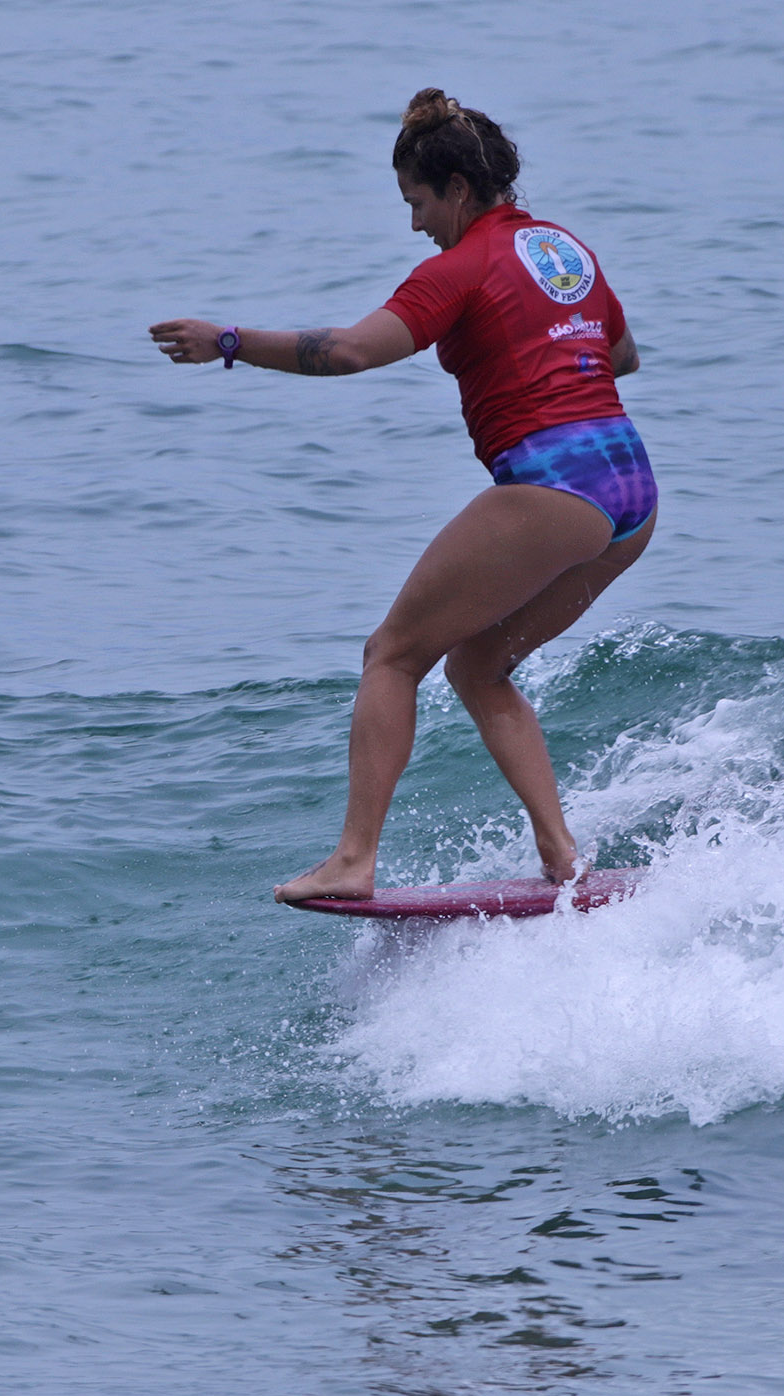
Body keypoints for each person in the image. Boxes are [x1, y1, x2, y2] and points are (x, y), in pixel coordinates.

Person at [149, 88, 656, 904]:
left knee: (392, 654)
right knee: (479, 662)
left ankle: (353, 858)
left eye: (417, 203)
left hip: (556, 482)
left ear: (457, 189)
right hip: (631, 489)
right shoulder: (564, 249)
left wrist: (228, 342)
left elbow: (347, 352)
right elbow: (622, 355)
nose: (414, 223)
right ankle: (564, 857)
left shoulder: (458, 268)